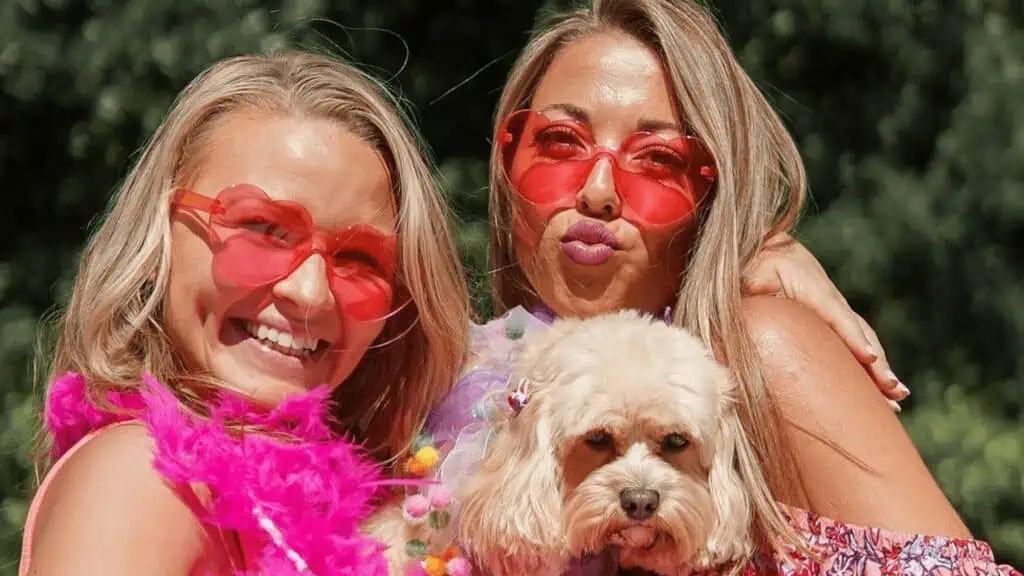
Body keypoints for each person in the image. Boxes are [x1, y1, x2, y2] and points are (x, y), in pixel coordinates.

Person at [408, 0, 1021, 574]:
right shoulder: (434, 377)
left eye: (657, 160)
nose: (597, 189)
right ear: (506, 161)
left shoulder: (763, 350)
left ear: (712, 197)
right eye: (560, 143)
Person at [19, 51, 471, 575]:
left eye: (358, 259)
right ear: (162, 229)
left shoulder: (359, 516)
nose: (311, 293)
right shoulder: (141, 479)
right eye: (262, 229)